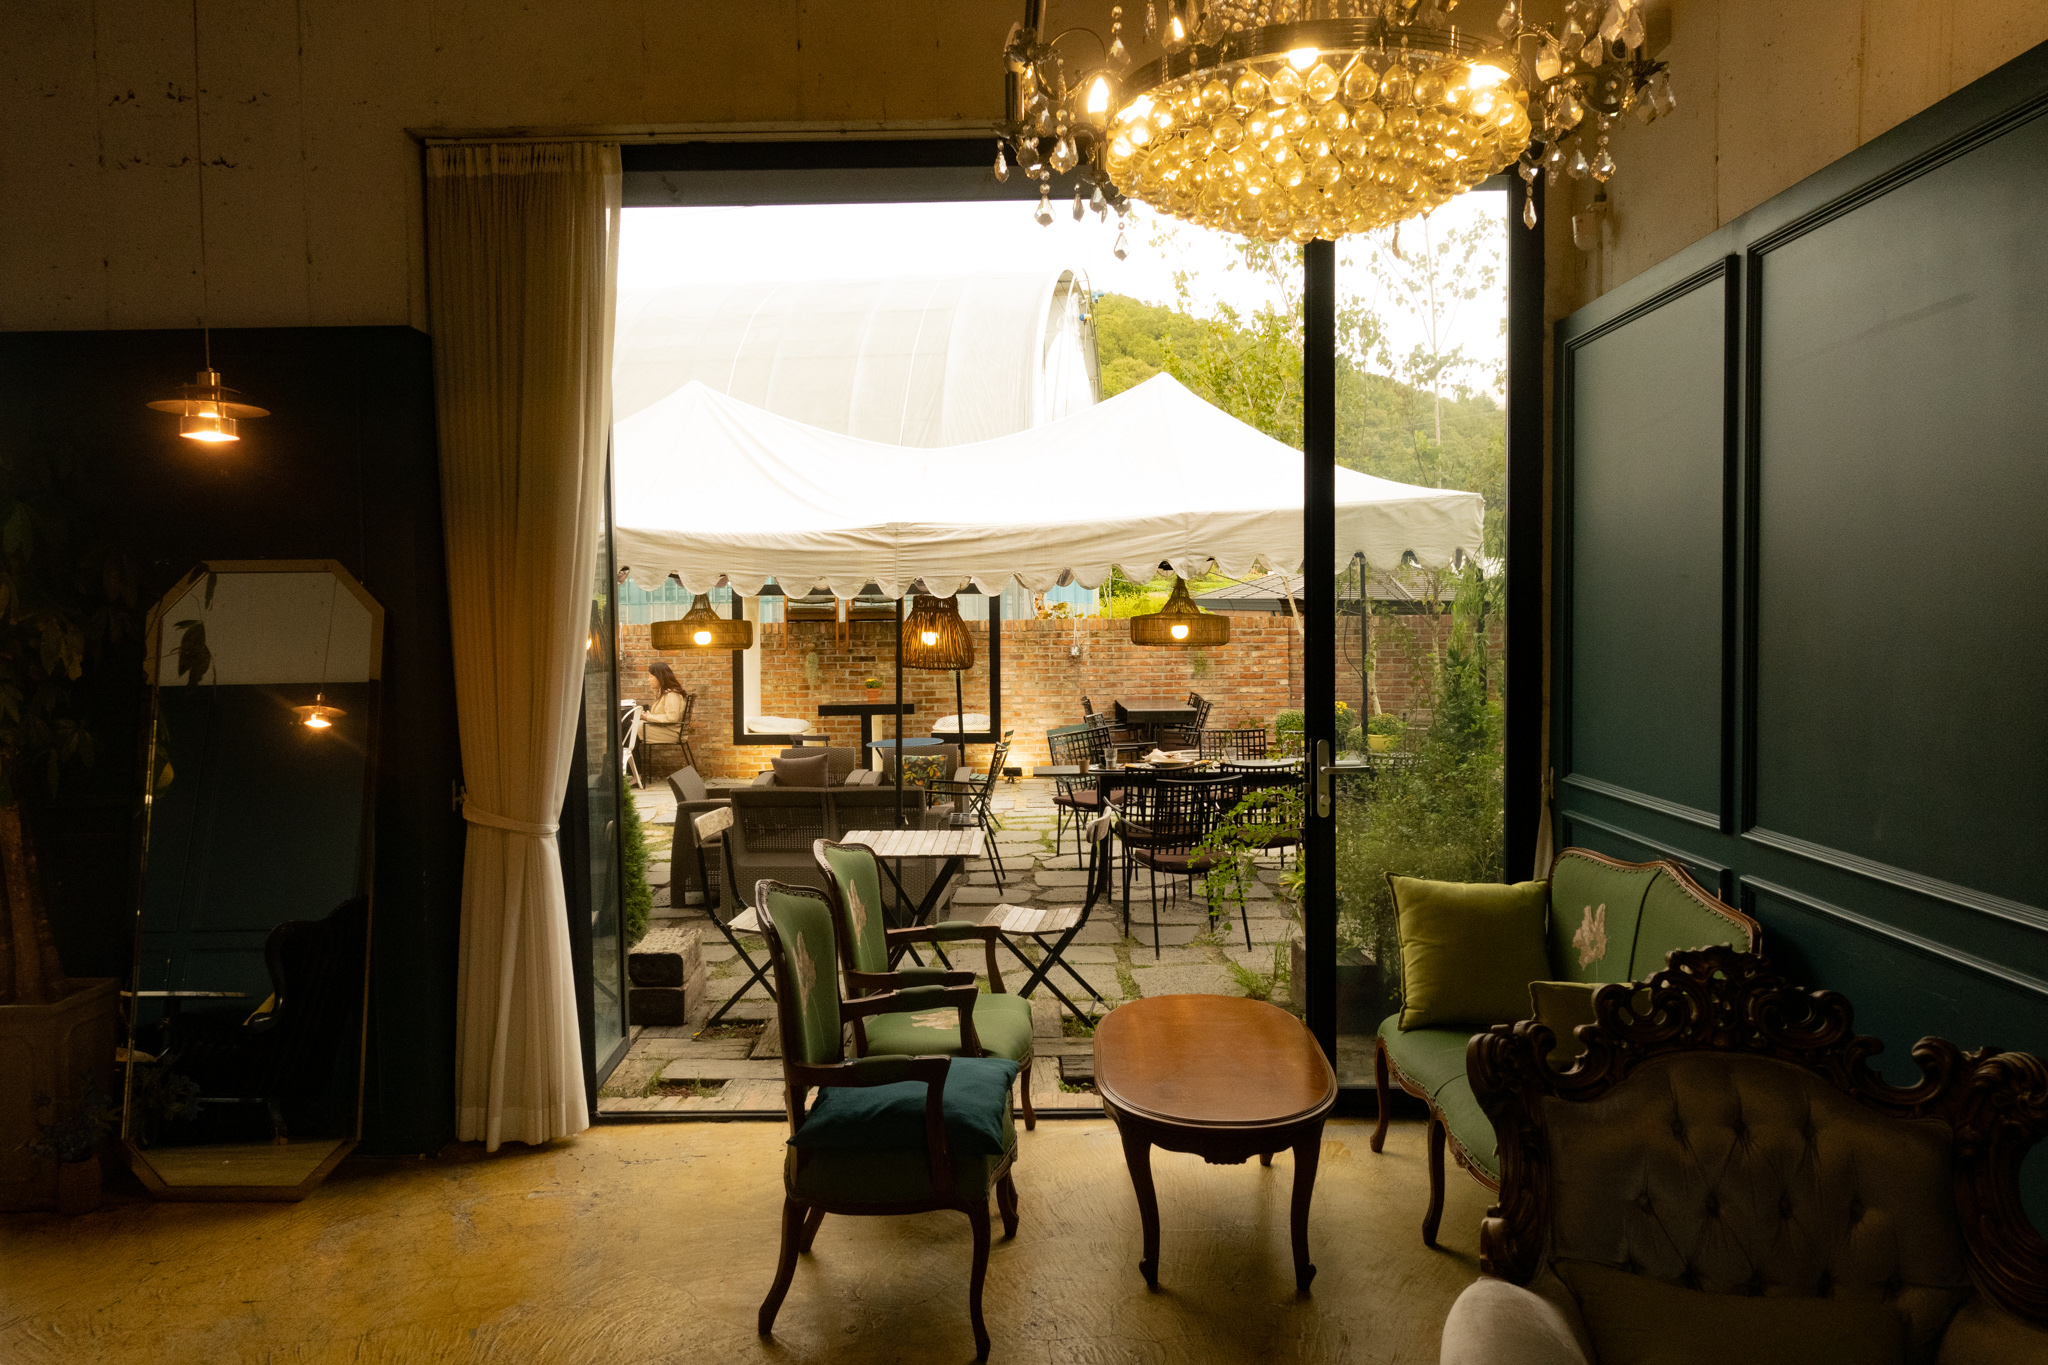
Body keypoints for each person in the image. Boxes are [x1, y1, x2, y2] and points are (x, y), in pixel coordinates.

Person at [642, 661, 688, 743]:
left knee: (633, 727)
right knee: (633, 725)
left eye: (651, 676)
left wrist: (648, 717)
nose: (648, 680)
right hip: (665, 729)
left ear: (660, 677)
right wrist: (648, 716)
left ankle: (628, 751)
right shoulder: (664, 693)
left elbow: (671, 718)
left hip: (671, 732)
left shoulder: (671, 694)